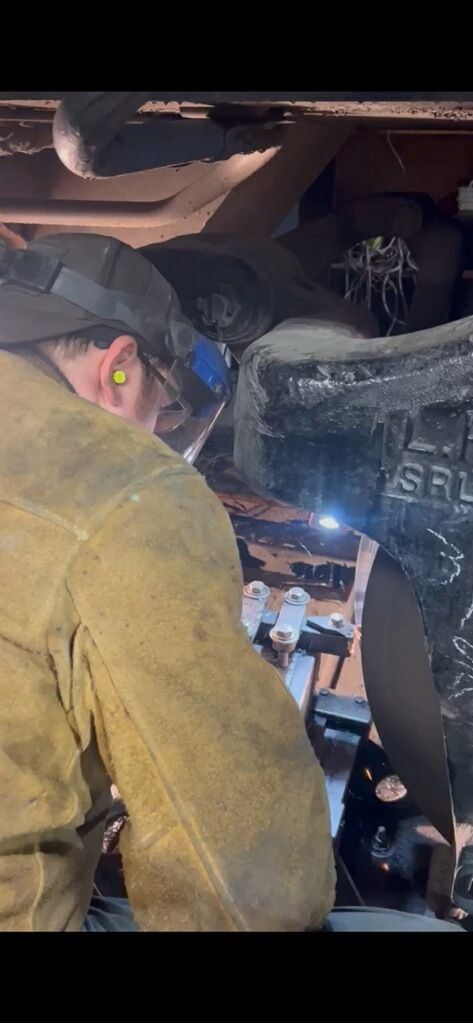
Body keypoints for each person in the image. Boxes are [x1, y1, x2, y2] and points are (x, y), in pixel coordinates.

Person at [0, 233, 462, 933]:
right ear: (118, 368)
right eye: (165, 409)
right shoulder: (118, 484)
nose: (160, 433)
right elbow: (237, 882)